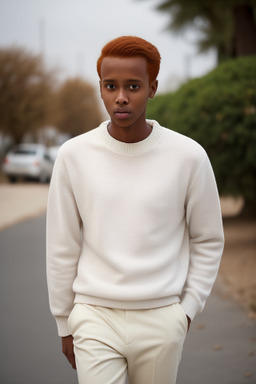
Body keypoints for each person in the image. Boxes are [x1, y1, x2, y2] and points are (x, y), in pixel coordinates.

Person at [46, 36, 224, 384]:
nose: (121, 97)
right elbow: (61, 245)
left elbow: (208, 238)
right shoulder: (73, 155)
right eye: (110, 86)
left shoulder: (188, 156)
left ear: (152, 88)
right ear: (100, 88)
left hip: (161, 318)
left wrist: (185, 311)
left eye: (133, 86)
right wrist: (64, 321)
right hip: (94, 317)